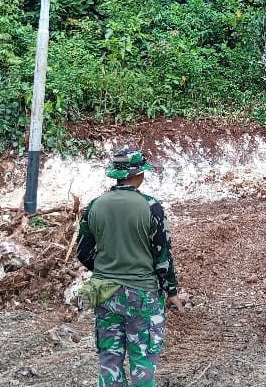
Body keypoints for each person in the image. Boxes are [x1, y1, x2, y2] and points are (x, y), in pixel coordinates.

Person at [76, 146, 183, 387]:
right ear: (140, 174)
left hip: (105, 293)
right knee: (143, 360)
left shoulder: (94, 206)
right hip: (142, 296)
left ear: (116, 174)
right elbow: (162, 256)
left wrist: (107, 268)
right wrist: (172, 291)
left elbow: (82, 252)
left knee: (109, 359)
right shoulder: (151, 207)